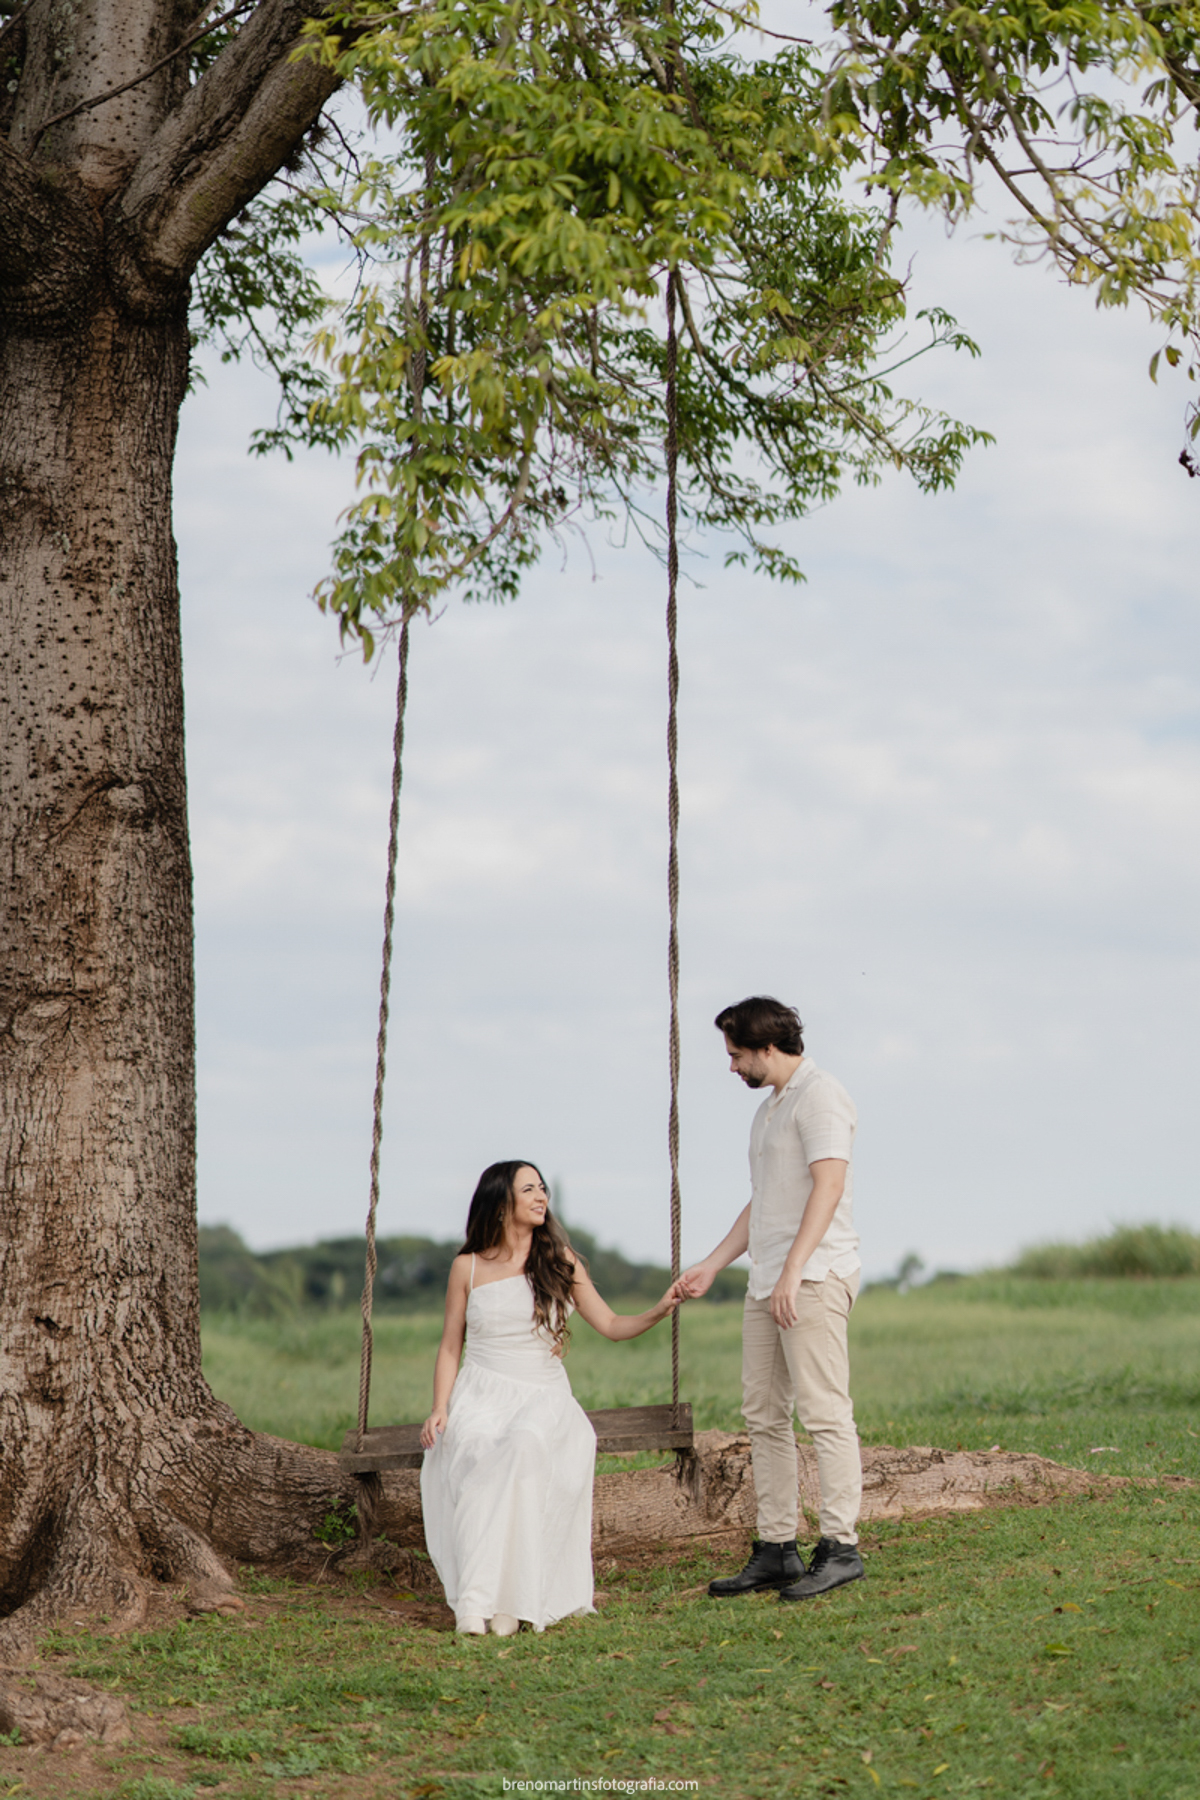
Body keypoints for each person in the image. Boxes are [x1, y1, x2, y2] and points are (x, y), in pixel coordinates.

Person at [420, 1160, 681, 1636]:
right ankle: (484, 1603)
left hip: (542, 1394)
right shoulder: (468, 1267)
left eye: (543, 1189)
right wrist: (441, 1406)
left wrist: (659, 1309)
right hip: (481, 1393)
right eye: (529, 1189)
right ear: (501, 1203)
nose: (542, 1197)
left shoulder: (558, 1259)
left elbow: (612, 1325)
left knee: (523, 1445)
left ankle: (504, 1603)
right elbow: (450, 1345)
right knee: (478, 1453)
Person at [678, 996, 864, 1602]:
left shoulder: (822, 1096)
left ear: (765, 1046)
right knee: (763, 1413)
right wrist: (713, 1262)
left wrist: (793, 1270)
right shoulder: (768, 1112)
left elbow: (828, 1187)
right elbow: (764, 1202)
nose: (731, 1066)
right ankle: (777, 1548)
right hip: (768, 1281)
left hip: (810, 1278)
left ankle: (840, 1548)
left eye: (735, 1054)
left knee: (824, 1411)